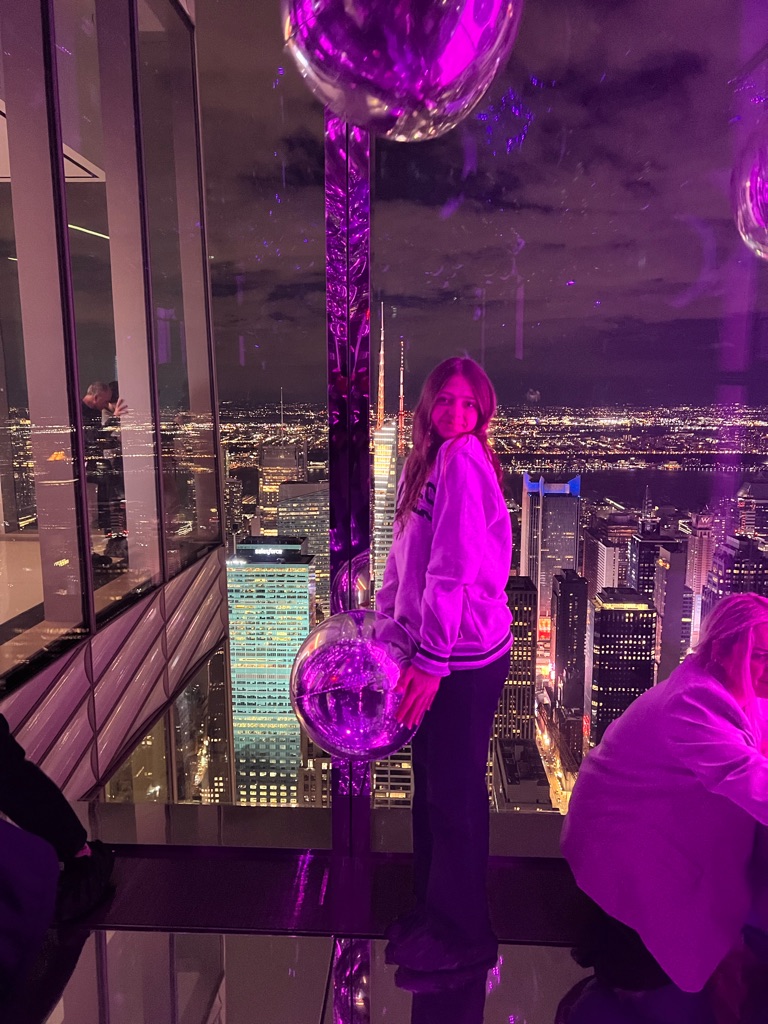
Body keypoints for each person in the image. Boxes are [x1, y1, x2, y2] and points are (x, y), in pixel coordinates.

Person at [561, 592, 768, 1007]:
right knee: (636, 984)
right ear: (720, 650)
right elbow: (748, 777)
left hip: (648, 837)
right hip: (624, 849)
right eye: (759, 655)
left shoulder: (732, 693)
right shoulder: (693, 702)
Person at [378, 357, 513, 974]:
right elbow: (402, 559)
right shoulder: (424, 464)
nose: (457, 413)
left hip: (462, 658)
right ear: (427, 404)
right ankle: (433, 913)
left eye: (469, 404)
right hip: (431, 653)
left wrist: (431, 661)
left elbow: (452, 567)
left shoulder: (463, 459)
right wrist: (389, 629)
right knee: (432, 787)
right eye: (446, 400)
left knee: (453, 795)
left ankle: (464, 936)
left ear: (482, 412)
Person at [81, 381, 128, 561]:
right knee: (87, 513)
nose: (105, 405)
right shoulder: (81, 413)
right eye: (104, 400)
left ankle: (90, 553)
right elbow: (95, 438)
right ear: (96, 397)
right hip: (85, 470)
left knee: (91, 513)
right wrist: (114, 417)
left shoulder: (90, 411)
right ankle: (88, 555)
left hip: (91, 470)